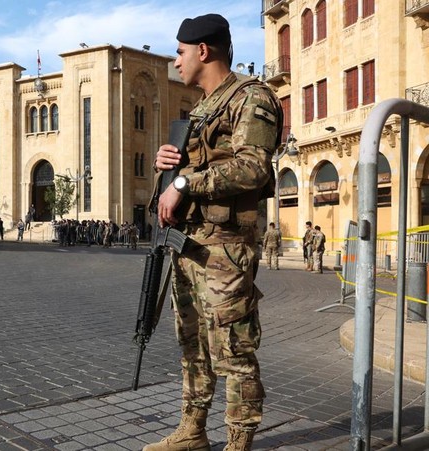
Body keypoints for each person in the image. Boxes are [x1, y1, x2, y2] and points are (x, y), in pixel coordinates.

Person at [146, 13, 282, 451]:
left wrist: (185, 181)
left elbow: (254, 167)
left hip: (224, 249)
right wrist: (167, 167)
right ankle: (193, 431)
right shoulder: (203, 108)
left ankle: (239, 441)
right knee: (193, 343)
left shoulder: (252, 97)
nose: (176, 62)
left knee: (233, 348)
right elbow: (195, 168)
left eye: (181, 53)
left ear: (204, 51)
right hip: (188, 243)